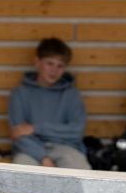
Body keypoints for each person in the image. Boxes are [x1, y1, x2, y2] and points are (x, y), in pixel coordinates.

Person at [8, 38, 90, 169]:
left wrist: (35, 128)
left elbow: (76, 131)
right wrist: (43, 157)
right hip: (30, 150)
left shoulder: (71, 94)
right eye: (50, 63)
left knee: (79, 169)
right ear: (37, 62)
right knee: (22, 168)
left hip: (66, 149)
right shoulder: (20, 94)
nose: (54, 70)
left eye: (60, 66)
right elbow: (18, 135)